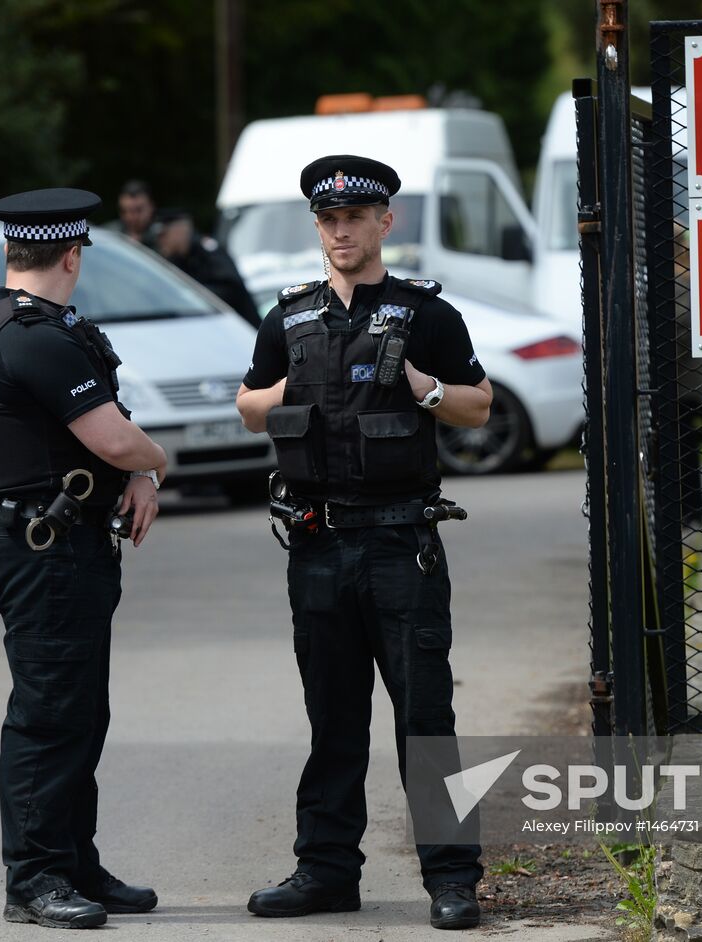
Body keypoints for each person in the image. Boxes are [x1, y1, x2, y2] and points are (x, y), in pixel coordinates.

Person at [235, 155, 491, 931]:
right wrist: (293, 388)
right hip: (317, 546)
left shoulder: (427, 316)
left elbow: (478, 407)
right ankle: (325, 872)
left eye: (356, 217)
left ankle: (453, 879)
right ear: (317, 227)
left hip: (399, 545)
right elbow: (249, 405)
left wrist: (420, 385)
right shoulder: (288, 318)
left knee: (426, 718)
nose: (341, 230)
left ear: (387, 222)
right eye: (328, 219)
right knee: (332, 719)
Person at [0, 187, 168, 929]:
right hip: (40, 544)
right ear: (73, 255)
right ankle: (35, 878)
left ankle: (74, 863)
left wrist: (135, 471)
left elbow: (104, 434)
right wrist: (155, 462)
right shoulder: (33, 337)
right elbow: (113, 438)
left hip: (59, 538)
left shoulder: (20, 325)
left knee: (79, 711)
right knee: (48, 714)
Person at [153, 207, 262, 327]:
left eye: (164, 235)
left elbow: (230, 288)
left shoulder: (208, 251)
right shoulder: (177, 260)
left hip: (244, 329)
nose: (160, 241)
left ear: (180, 230)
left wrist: (190, 296)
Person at [105, 179, 155, 244]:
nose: (130, 217)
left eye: (138, 210)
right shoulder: (108, 234)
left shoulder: (165, 233)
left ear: (151, 207)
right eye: (124, 211)